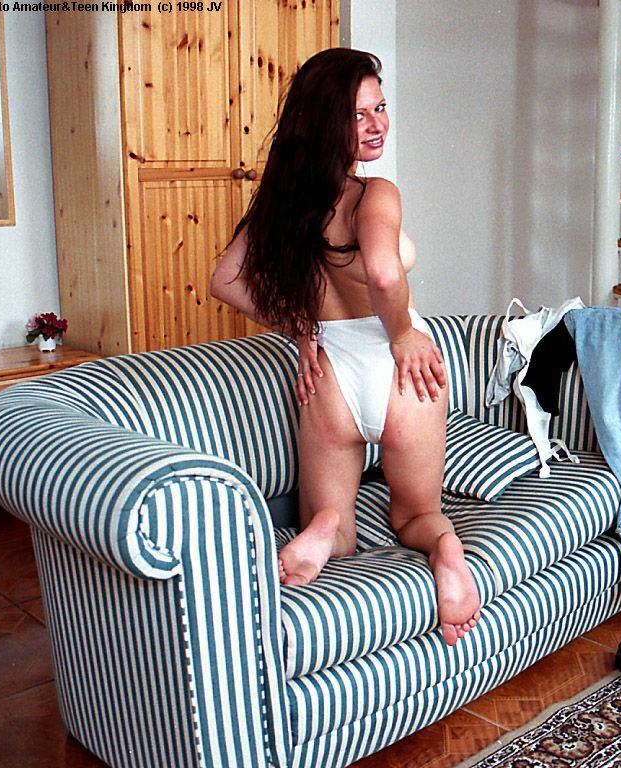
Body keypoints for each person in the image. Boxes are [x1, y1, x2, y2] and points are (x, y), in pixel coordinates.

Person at [210, 48, 480, 646]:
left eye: (380, 107)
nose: (377, 124)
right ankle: (446, 551)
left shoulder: (283, 202)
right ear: (324, 121)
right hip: (400, 369)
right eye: (358, 115)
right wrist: (403, 333)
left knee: (337, 529)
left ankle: (326, 527)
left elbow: (223, 280)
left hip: (329, 370)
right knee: (417, 515)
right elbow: (383, 273)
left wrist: (300, 329)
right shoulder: (372, 193)